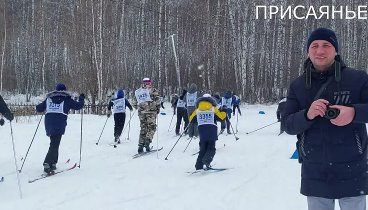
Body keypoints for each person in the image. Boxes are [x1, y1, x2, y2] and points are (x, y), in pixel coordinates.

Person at [282, 28, 368, 210]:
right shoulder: (298, 85)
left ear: (335, 50)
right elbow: (287, 124)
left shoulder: (357, 79)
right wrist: (307, 115)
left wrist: (353, 112)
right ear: (308, 51)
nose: (320, 51)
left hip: (353, 168)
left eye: (326, 45)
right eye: (314, 46)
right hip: (314, 171)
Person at [36, 83, 85, 174]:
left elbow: (38, 108)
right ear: (65, 91)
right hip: (59, 124)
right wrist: (81, 98)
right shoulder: (67, 100)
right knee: (55, 143)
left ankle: (53, 163)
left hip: (49, 124)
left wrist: (43, 105)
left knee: (54, 142)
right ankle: (47, 163)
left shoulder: (49, 99)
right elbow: (79, 106)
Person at [189, 94, 226, 170]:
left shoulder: (197, 110)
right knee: (211, 148)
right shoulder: (213, 109)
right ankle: (207, 160)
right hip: (211, 130)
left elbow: (191, 120)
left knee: (203, 149)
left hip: (202, 131)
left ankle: (198, 166)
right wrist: (224, 111)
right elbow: (221, 118)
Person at [131, 78, 160, 153]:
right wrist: (157, 108)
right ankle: (147, 142)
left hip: (141, 112)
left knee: (143, 128)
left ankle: (140, 146)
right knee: (152, 127)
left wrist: (139, 107)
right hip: (151, 112)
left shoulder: (138, 91)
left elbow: (134, 102)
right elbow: (157, 100)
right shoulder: (153, 90)